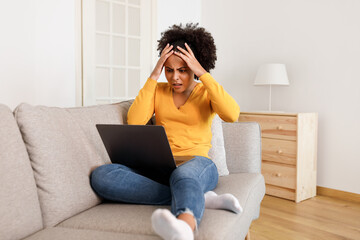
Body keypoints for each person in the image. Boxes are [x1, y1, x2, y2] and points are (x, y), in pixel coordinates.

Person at [90, 23, 242, 240]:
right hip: (160, 169)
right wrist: (154, 74)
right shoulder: (158, 91)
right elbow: (134, 122)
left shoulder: (206, 92)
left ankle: (185, 226)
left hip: (197, 165)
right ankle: (198, 196)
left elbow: (232, 114)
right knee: (102, 175)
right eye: (169, 70)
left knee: (183, 175)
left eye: (183, 70)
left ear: (195, 68)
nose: (175, 78)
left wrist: (202, 73)